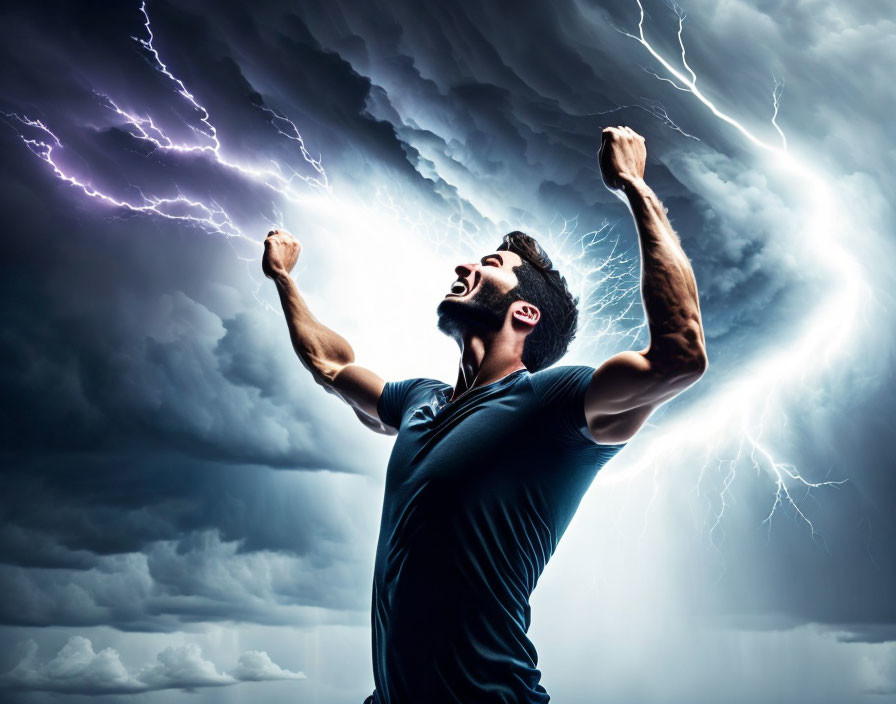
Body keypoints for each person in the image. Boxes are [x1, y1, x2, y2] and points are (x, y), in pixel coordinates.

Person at [262, 125, 707, 704]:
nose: (465, 266)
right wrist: (284, 279)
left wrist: (634, 186)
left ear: (524, 312)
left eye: (490, 263)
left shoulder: (554, 405)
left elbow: (681, 355)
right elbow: (329, 364)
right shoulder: (419, 401)